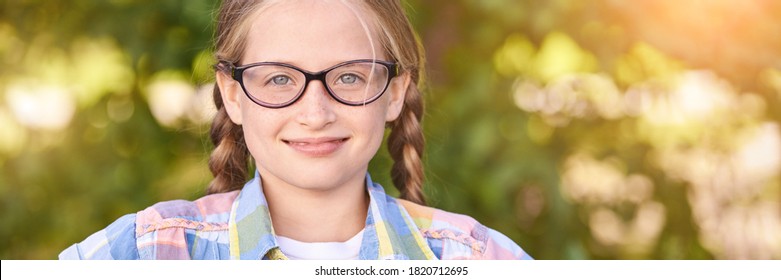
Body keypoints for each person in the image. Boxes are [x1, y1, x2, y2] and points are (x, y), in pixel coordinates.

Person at [59, 0, 533, 260]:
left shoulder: (474, 259)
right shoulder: (145, 253)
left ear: (393, 93)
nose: (315, 112)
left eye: (348, 76)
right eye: (280, 78)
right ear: (233, 94)